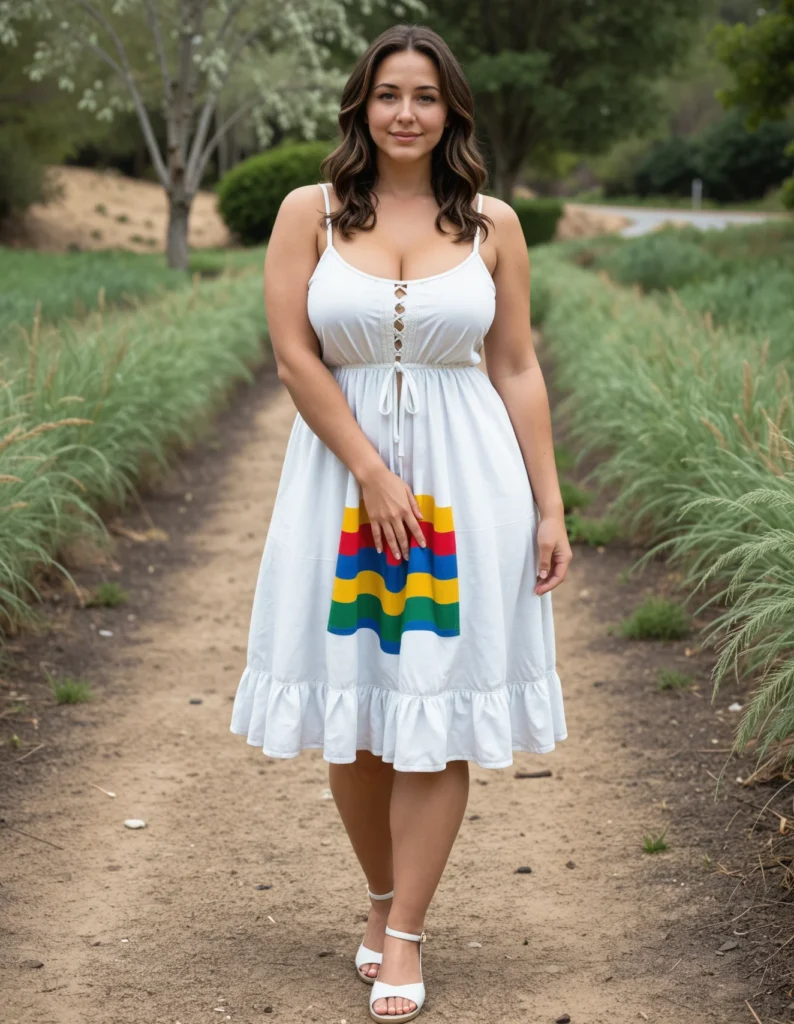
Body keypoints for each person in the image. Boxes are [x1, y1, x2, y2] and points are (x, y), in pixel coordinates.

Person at [230, 22, 572, 1023]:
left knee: (437, 699)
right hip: (341, 485)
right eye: (389, 94)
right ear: (362, 105)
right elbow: (294, 357)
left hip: (467, 488)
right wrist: (373, 472)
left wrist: (550, 505)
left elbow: (515, 366)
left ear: (450, 109)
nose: (406, 113)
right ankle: (381, 898)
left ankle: (409, 932)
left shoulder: (494, 225)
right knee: (356, 705)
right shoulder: (309, 212)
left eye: (425, 96)